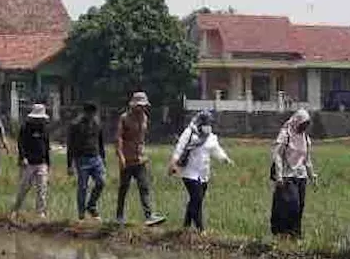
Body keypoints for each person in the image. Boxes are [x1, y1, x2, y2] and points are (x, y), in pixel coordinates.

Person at [169, 110, 232, 231]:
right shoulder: (190, 133)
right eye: (206, 123)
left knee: (196, 200)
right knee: (197, 199)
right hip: (189, 172)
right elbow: (180, 147)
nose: (208, 126)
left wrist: (225, 159)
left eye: (210, 124)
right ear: (199, 123)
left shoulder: (211, 137)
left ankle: (186, 226)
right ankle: (200, 229)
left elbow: (216, 150)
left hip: (203, 174)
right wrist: (174, 163)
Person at [115, 92, 165, 226]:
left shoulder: (144, 118)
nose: (142, 108)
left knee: (144, 187)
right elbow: (118, 138)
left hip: (140, 159)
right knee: (123, 188)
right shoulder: (124, 118)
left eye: (144, 106)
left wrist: (144, 153)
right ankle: (119, 216)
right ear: (133, 105)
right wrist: (120, 156)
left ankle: (149, 215)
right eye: (140, 106)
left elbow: (141, 139)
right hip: (127, 159)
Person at [270, 108, 316, 239]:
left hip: (301, 177)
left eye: (307, 124)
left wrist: (312, 175)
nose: (304, 127)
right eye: (303, 124)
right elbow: (277, 154)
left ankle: (295, 235)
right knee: (292, 205)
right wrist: (279, 175)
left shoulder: (306, 138)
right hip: (287, 175)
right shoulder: (286, 134)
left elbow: (307, 160)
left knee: (300, 206)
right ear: (297, 122)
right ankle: (284, 233)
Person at [66, 102, 107, 220]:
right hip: (81, 159)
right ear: (85, 113)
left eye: (94, 113)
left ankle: (91, 205)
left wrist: (103, 158)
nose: (92, 116)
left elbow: (100, 142)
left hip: (96, 157)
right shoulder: (75, 125)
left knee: (101, 182)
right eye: (90, 113)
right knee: (83, 187)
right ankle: (81, 214)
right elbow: (70, 146)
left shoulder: (97, 124)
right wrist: (70, 165)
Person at [13, 103, 52, 219]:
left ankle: (40, 212)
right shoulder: (25, 128)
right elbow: (21, 144)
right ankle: (16, 209)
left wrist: (48, 163)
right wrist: (22, 157)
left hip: (42, 163)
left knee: (42, 188)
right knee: (23, 188)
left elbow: (46, 145)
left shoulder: (45, 129)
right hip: (28, 163)